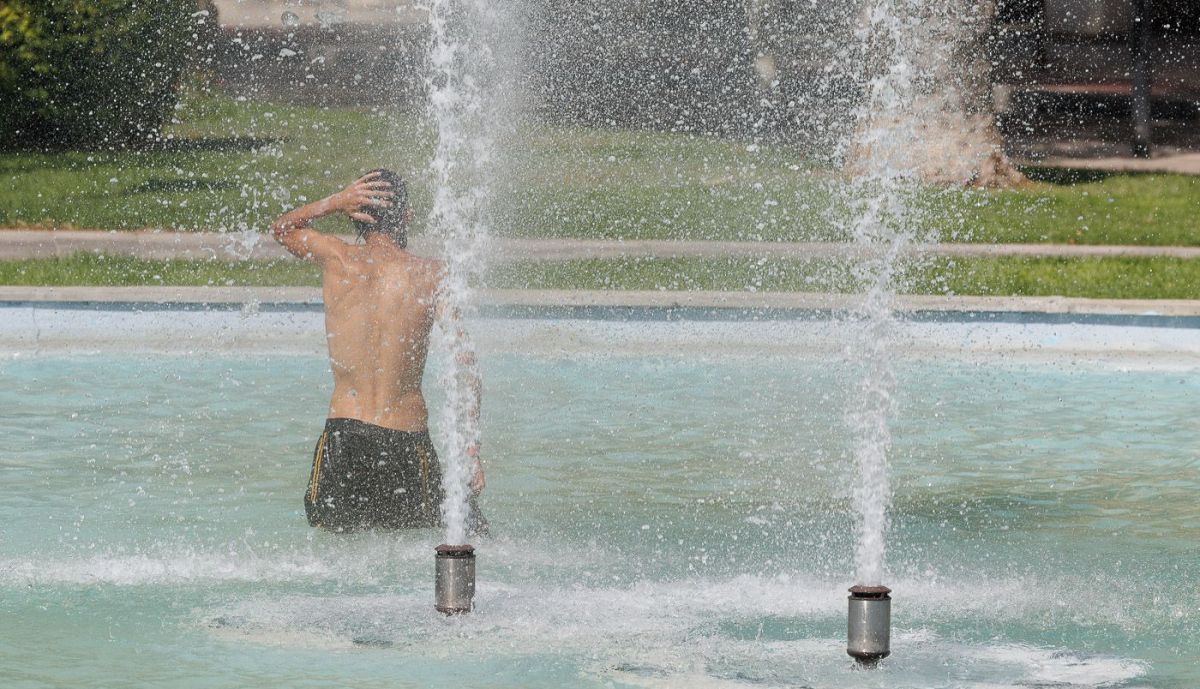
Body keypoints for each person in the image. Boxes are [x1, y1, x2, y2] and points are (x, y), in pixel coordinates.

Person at [270, 170, 485, 533]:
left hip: (344, 434)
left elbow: (281, 229)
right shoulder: (431, 275)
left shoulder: (337, 258)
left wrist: (334, 202)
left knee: (336, 552)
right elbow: (466, 366)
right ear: (406, 216)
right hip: (406, 437)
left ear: (355, 216)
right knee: (444, 539)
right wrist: (471, 452)